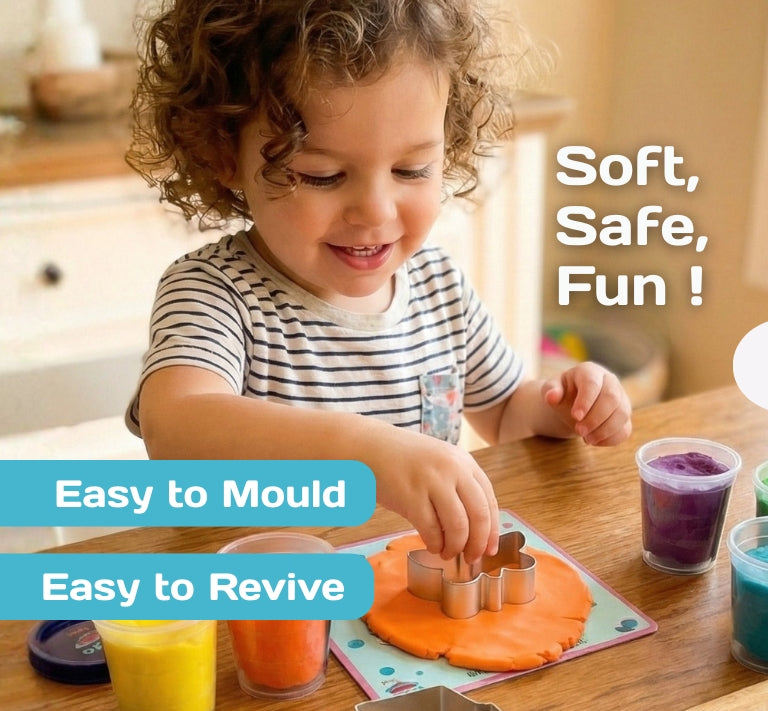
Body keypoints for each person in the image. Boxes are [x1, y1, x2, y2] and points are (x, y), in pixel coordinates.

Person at [125, 0, 632, 564]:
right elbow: (174, 430)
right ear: (223, 152)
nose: (374, 210)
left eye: (412, 170)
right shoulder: (214, 293)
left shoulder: (438, 287)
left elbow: (509, 411)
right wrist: (364, 454)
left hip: (411, 601)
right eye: (323, 175)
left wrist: (565, 406)